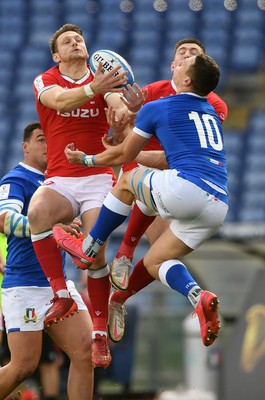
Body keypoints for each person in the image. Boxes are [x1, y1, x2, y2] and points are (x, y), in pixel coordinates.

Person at [53, 53, 228, 347]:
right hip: (217, 205)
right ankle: (198, 295)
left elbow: (124, 156)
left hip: (187, 189)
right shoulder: (210, 110)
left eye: (185, 62)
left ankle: (89, 247)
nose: (180, 61)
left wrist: (85, 158)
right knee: (159, 259)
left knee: (127, 180)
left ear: (186, 80)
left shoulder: (159, 106)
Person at [27, 23, 133, 368]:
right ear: (56, 55)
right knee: (37, 213)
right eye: (67, 42)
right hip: (61, 176)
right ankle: (61, 295)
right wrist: (95, 88)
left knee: (94, 255)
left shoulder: (103, 79)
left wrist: (122, 116)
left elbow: (117, 105)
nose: (75, 43)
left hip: (98, 175)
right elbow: (58, 100)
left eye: (79, 39)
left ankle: (99, 335)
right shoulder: (46, 80)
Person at [109, 38, 228, 293]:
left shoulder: (214, 104)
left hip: (176, 175)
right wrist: (123, 125)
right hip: (154, 174)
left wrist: (121, 151)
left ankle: (119, 295)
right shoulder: (153, 91)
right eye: (181, 53)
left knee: (160, 255)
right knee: (160, 253)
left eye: (193, 53)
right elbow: (125, 135)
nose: (186, 55)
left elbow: (187, 153)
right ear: (173, 65)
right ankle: (122, 257)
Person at [0, 122, 94, 400]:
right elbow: (4, 219)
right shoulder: (16, 179)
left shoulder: (58, 184)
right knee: (23, 366)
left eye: (51, 139)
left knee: (86, 352)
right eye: (41, 139)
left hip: (58, 287)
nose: (47, 145)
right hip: (24, 287)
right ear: (25, 146)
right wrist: (47, 228)